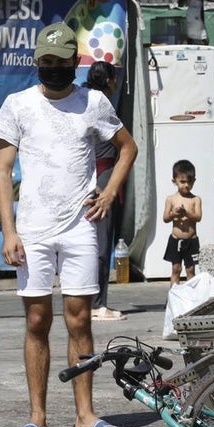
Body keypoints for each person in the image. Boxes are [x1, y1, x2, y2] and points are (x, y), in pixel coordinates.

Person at [0, 22, 139, 427]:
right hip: (33, 230)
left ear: (76, 63)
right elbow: (3, 171)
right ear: (37, 62)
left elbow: (126, 147)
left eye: (62, 62)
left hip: (80, 227)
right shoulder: (17, 105)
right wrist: (9, 231)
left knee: (80, 321)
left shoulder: (93, 101)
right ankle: (37, 416)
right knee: (37, 319)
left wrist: (109, 192)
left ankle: (85, 414)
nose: (54, 69)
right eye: (47, 62)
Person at [84, 61, 126, 321]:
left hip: (93, 178)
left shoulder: (83, 100)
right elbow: (125, 146)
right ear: (109, 80)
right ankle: (97, 305)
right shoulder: (101, 104)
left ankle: (92, 302)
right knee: (100, 244)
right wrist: (104, 186)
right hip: (101, 179)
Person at [162, 159, 201, 284]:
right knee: (176, 269)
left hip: (191, 240)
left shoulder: (195, 199)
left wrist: (186, 213)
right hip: (176, 240)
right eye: (182, 182)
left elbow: (198, 217)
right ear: (174, 181)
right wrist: (174, 213)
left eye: (189, 182)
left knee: (190, 269)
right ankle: (173, 295)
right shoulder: (171, 199)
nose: (186, 185)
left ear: (194, 181)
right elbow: (166, 218)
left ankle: (192, 298)